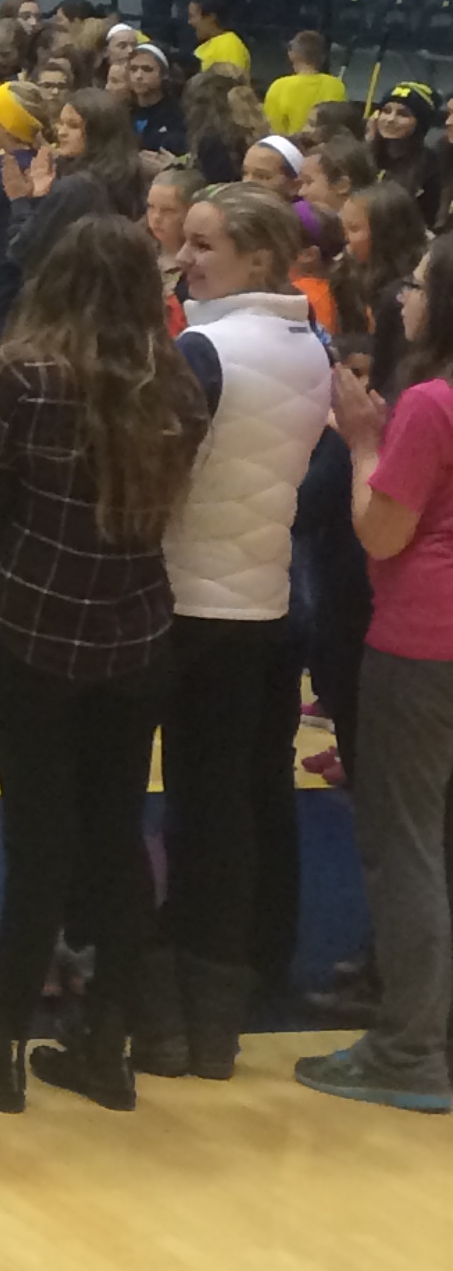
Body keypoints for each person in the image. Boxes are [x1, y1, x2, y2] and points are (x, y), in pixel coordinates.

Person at [0, 216, 208, 1114]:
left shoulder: (24, 374)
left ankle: (2, 1048)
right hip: (137, 631)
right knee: (116, 838)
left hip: (30, 626)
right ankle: (108, 1048)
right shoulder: (177, 380)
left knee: (39, 841)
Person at [143, 185, 332, 1077]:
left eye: (205, 245)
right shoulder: (310, 341)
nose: (186, 258)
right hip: (262, 599)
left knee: (199, 811)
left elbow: (155, 473)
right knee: (239, 803)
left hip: (192, 603)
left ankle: (180, 1015)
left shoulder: (206, 346)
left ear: (259, 258)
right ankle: (231, 999)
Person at [297, 232, 453, 1110]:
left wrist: (362, 441)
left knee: (405, 849)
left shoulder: (431, 401)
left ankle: (408, 1049)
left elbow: (383, 533)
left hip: (424, 638)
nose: (405, 299)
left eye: (423, 286)